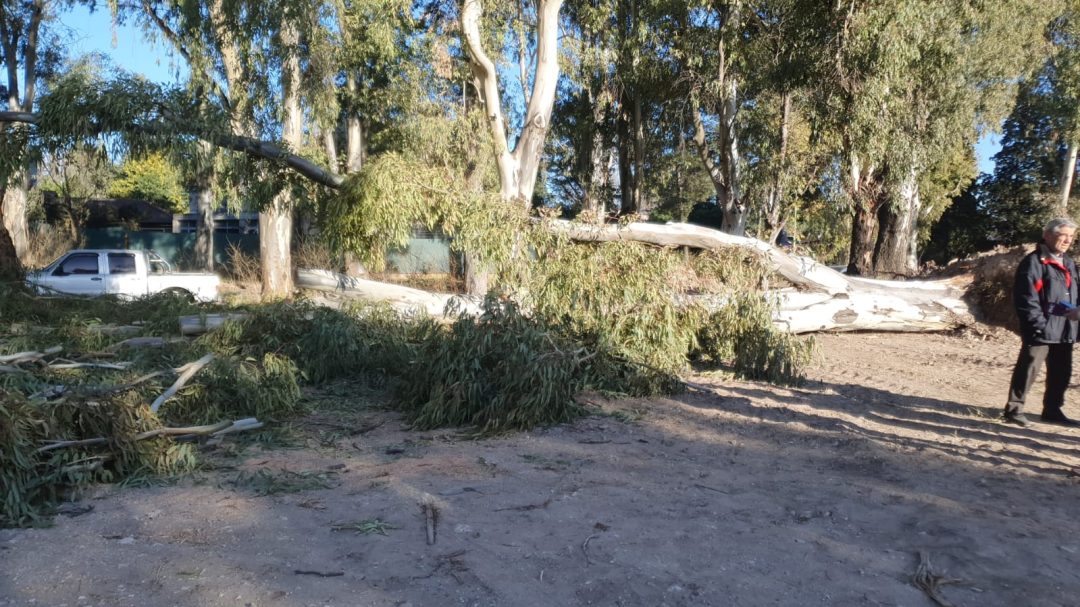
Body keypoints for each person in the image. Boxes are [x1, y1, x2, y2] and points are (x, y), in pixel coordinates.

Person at [1002, 217, 1080, 427]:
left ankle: (1052, 410)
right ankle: (1014, 410)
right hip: (1041, 329)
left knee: (1061, 373)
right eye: (1063, 235)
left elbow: (1075, 293)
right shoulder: (1034, 262)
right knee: (1028, 370)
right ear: (1047, 235)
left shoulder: (1070, 263)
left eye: (1071, 236)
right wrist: (1038, 325)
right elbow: (1026, 299)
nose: (1067, 240)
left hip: (1065, 329)